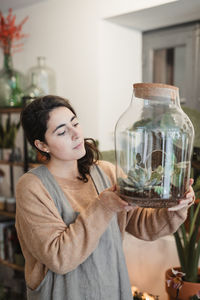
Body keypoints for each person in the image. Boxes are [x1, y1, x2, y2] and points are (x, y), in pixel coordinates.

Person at [15, 95, 195, 300]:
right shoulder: (32, 187)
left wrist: (177, 204)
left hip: (111, 290)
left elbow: (146, 226)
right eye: (62, 131)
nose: (75, 134)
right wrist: (104, 206)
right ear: (42, 145)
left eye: (75, 123)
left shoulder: (106, 173)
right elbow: (59, 258)